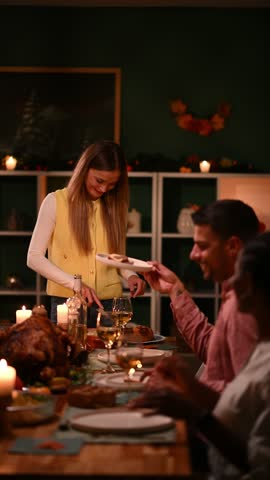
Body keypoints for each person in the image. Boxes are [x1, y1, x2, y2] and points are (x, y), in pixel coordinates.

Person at [130, 231, 270, 479]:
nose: (233, 286)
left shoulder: (245, 322)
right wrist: (189, 386)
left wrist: (193, 411)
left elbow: (258, 465)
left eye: (243, 278)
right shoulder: (262, 346)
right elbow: (239, 411)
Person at [142, 199, 261, 409]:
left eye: (203, 246)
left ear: (233, 246)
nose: (193, 254)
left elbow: (245, 404)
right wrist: (174, 289)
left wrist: (184, 390)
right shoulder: (233, 292)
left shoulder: (246, 307)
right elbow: (213, 349)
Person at [27, 140, 146, 326]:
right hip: (67, 305)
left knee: (109, 355)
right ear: (84, 169)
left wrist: (131, 275)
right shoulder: (55, 202)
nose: (104, 189)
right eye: (99, 180)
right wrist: (76, 284)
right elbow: (33, 257)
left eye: (112, 184)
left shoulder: (117, 207)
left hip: (110, 307)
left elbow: (115, 256)